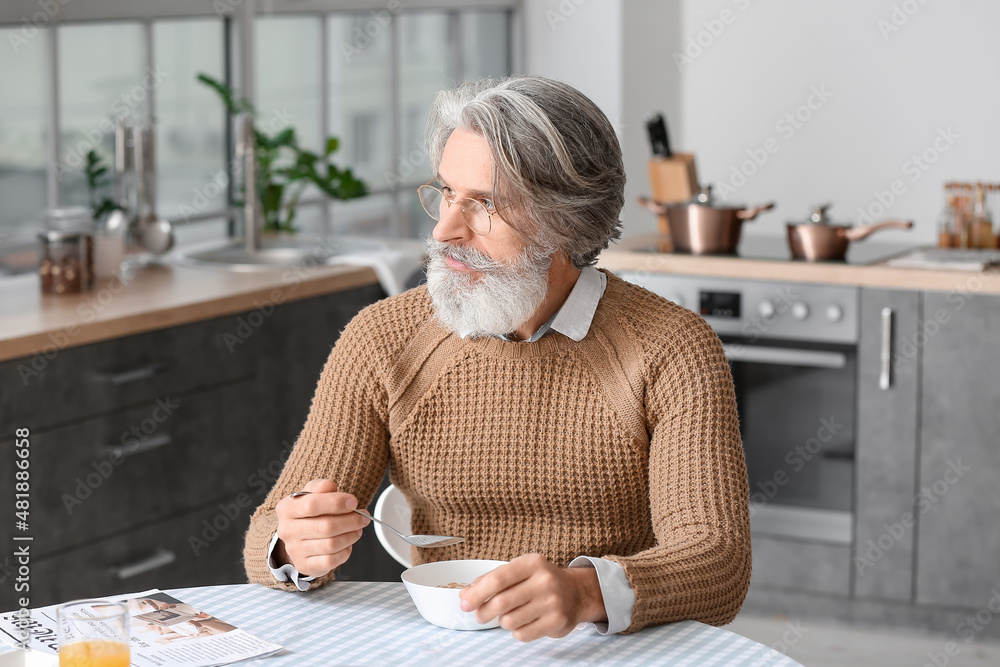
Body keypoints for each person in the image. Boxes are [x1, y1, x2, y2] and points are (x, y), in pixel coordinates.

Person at [244, 75, 750, 641]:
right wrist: (295, 545)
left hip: (607, 648)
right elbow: (266, 533)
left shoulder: (672, 349)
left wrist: (584, 593)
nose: (444, 229)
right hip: (443, 642)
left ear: (565, 220)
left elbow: (717, 561)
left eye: (483, 205)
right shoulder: (381, 338)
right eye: (445, 193)